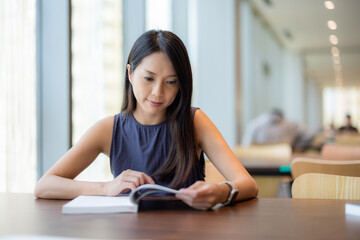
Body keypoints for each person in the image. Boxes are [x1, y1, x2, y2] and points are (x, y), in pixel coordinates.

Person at [34, 30, 258, 210]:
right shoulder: (109, 129)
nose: (158, 93)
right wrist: (106, 187)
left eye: (171, 82)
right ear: (130, 74)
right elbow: (45, 186)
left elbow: (248, 184)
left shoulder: (194, 122)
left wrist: (222, 191)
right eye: (149, 78)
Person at [242, 109, 315, 151]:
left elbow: (246, 144)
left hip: (258, 161)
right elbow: (310, 135)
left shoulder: (254, 124)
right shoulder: (291, 124)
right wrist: (298, 148)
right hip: (285, 157)